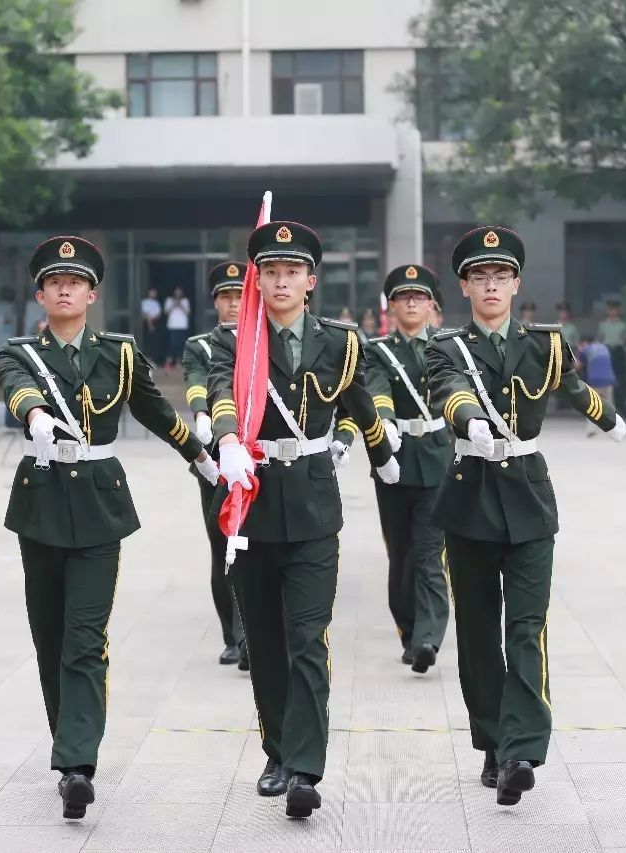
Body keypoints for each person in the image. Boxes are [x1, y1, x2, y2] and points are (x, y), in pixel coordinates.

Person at [0, 236, 217, 821]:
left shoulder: (118, 354)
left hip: (98, 505)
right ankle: (66, 737)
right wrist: (37, 414)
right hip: (41, 502)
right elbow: (17, 391)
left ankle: (77, 763)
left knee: (84, 638)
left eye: (75, 282)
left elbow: (154, 410)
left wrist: (199, 456)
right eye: (54, 282)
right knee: (49, 636)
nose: (65, 289)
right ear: (40, 293)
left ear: (92, 294)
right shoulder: (20, 351)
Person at [425, 226, 625, 808]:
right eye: (480, 277)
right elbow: (450, 389)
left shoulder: (546, 341)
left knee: (527, 629)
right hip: (471, 497)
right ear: (464, 286)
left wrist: (606, 416)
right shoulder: (446, 346)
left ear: (516, 283)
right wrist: (471, 422)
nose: (491, 285)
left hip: (531, 499)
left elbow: (569, 382)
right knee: (481, 633)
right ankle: (492, 739)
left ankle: (521, 750)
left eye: (501, 276)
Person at [209, 221, 399, 819]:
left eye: (292, 271)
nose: (281, 280)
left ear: (311, 280)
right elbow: (215, 389)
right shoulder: (233, 342)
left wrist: (382, 452)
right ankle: (277, 751)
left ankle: (306, 768)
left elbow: (357, 399)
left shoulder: (340, 341)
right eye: (270, 271)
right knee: (264, 642)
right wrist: (224, 439)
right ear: (256, 280)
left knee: (307, 639)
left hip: (315, 505)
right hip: (254, 501)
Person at [363, 264, 451, 673]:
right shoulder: (378, 351)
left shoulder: (449, 346)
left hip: (437, 457)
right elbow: (377, 389)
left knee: (431, 552)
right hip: (393, 460)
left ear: (432, 303)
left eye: (419, 296)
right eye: (403, 296)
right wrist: (382, 424)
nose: (412, 302)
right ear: (392, 306)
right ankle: (409, 630)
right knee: (401, 554)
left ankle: (429, 638)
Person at [181, 262, 246, 667]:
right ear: (215, 301)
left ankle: (256, 632)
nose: (234, 303)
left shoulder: (264, 339)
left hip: (258, 456)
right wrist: (201, 413)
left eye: (240, 295)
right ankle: (234, 636)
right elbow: (194, 379)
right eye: (226, 296)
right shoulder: (200, 345)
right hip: (217, 459)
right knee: (223, 547)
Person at [578, 335, 615, 437]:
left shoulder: (585, 349)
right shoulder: (604, 348)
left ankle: (591, 430)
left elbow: (578, 365)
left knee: (592, 406)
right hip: (609, 378)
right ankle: (614, 430)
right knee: (610, 406)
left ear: (584, 342)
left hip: (594, 380)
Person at [597, 300, 626, 406]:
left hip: (618, 352)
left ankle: (621, 405)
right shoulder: (603, 325)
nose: (613, 312)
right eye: (611, 310)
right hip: (607, 351)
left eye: (615, 310)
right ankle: (605, 404)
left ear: (618, 311)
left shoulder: (623, 325)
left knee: (619, 379)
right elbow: (599, 340)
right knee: (605, 379)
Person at [163, 285, 192, 370]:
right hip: (172, 325)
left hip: (182, 325)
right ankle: (168, 362)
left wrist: (181, 305)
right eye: (176, 291)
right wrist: (174, 304)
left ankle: (178, 363)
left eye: (179, 291)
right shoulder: (169, 300)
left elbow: (188, 312)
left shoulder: (185, 301)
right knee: (172, 344)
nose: (178, 293)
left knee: (181, 344)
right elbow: (166, 312)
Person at [140, 287, 162, 363]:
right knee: (146, 341)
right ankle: (146, 358)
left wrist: (152, 321)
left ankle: (152, 359)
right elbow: (144, 314)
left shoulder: (156, 303)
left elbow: (158, 314)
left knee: (154, 342)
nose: (153, 294)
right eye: (152, 292)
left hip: (155, 323)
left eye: (154, 292)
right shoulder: (144, 302)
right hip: (145, 324)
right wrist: (149, 323)